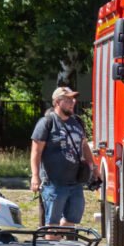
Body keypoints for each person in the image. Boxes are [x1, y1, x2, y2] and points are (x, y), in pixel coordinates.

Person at [30, 86, 94, 227]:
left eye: (73, 99)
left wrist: (93, 168)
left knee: (70, 223)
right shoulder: (47, 122)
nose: (73, 102)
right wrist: (35, 176)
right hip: (54, 184)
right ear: (57, 102)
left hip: (75, 183)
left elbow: (84, 146)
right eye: (68, 99)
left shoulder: (77, 122)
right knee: (52, 225)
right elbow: (36, 152)